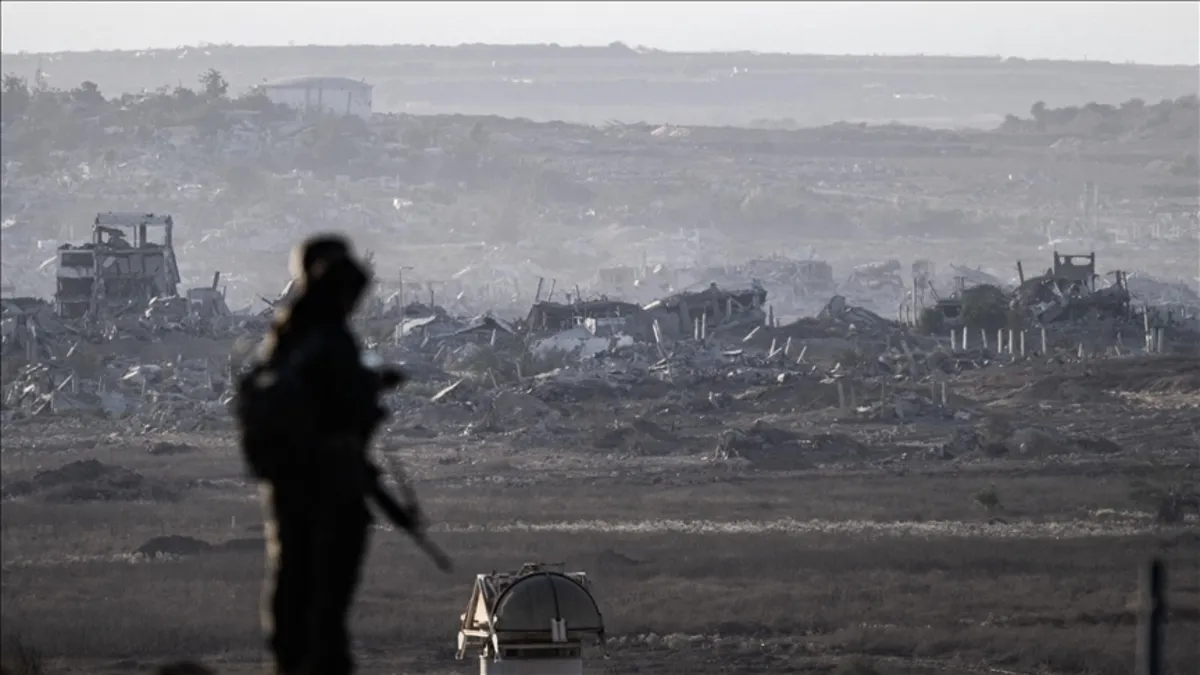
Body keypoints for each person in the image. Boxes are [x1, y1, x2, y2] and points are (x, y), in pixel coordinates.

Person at [235, 234, 415, 675]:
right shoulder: (329, 341)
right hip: (330, 492)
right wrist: (373, 387)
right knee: (324, 618)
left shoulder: (285, 338)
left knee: (292, 596)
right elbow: (349, 412)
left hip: (290, 492)